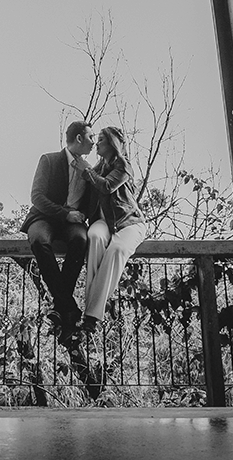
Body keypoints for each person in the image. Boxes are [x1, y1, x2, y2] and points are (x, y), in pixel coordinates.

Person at [21, 120, 95, 340]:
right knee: (38, 240)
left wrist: (82, 214)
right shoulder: (49, 160)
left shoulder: (90, 169)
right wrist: (64, 214)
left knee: (81, 240)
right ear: (79, 138)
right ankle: (68, 308)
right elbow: (37, 197)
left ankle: (60, 307)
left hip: (74, 224)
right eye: (91, 137)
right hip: (44, 217)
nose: (94, 142)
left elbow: (91, 203)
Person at [72, 126, 147, 334]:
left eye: (101, 140)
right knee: (94, 236)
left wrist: (87, 171)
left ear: (112, 143)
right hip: (103, 222)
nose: (96, 143)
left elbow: (107, 186)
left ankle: (91, 316)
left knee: (116, 250)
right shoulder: (99, 166)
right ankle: (92, 308)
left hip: (128, 222)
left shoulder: (123, 164)